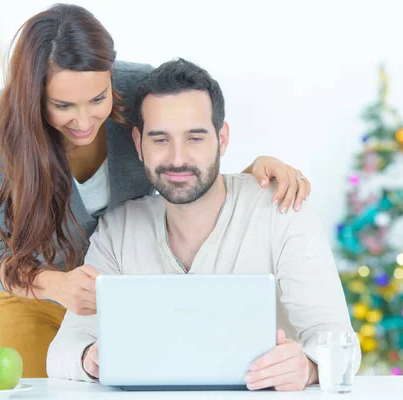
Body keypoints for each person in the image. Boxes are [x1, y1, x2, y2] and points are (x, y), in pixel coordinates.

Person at [0, 4, 312, 378]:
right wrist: (57, 285)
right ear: (34, 95)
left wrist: (251, 174)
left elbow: (182, 162)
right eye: (63, 106)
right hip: (35, 293)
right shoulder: (3, 117)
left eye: (98, 99)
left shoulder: (138, 90)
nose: (85, 120)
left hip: (129, 296)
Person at [46, 58, 361, 391]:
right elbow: (61, 352)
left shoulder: (281, 210)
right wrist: (90, 358)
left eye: (195, 138)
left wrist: (309, 367)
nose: (178, 158)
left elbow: (340, 341)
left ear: (222, 139)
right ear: (138, 144)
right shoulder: (118, 229)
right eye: (160, 139)